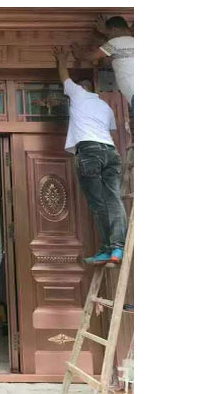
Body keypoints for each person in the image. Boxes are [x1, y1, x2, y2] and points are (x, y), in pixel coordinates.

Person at [53, 46, 127, 265]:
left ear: (81, 87)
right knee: (113, 199)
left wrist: (61, 59)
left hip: (90, 151)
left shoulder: (78, 94)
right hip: (110, 151)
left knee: (98, 203)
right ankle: (117, 249)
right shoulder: (105, 106)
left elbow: (64, 77)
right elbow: (111, 130)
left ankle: (107, 248)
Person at [72, 14, 134, 115]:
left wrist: (77, 53)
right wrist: (106, 31)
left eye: (109, 34)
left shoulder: (115, 43)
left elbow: (89, 57)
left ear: (114, 30)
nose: (108, 37)